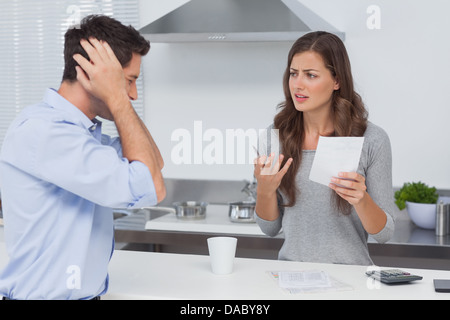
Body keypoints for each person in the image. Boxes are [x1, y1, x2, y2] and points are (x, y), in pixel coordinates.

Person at [0, 15, 166, 300]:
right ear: (90, 75)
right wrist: (116, 98)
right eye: (128, 81)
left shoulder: (82, 134)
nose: (133, 95)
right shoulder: (46, 133)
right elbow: (150, 186)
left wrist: (117, 97)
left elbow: (153, 166)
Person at [254, 31, 395, 266]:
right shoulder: (274, 137)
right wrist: (264, 191)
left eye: (310, 75)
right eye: (293, 74)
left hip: (352, 280)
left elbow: (384, 233)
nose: (297, 84)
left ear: (336, 80)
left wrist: (361, 200)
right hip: (291, 278)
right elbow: (269, 229)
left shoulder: (371, 139)